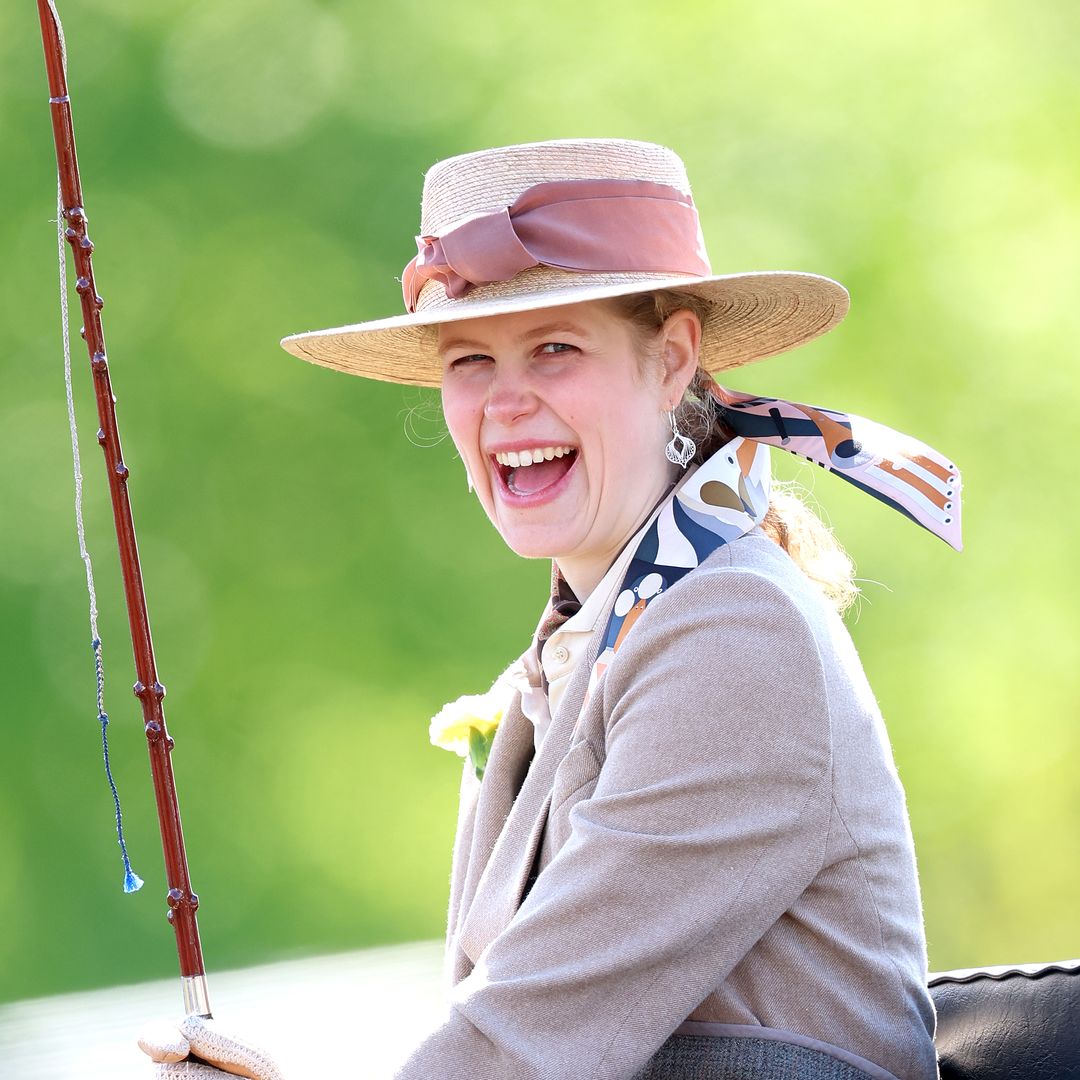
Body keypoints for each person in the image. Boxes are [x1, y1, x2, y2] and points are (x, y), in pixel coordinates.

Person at [142, 139, 961, 1079]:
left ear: (671, 362)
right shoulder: (583, 649)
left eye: (555, 349)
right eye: (469, 362)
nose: (507, 401)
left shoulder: (735, 631)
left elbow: (525, 1047)